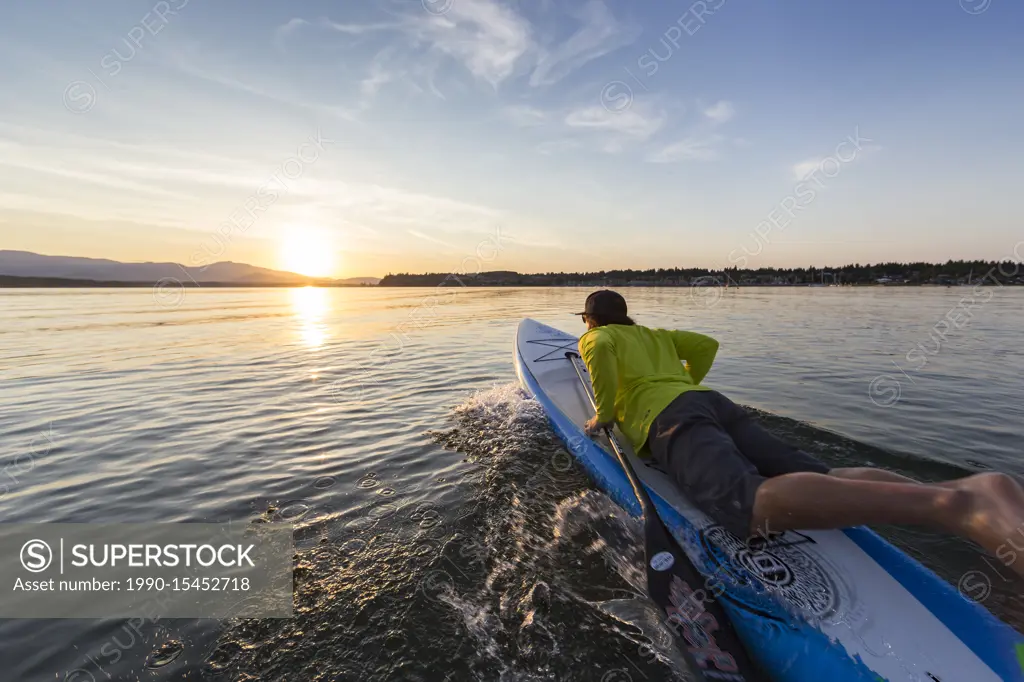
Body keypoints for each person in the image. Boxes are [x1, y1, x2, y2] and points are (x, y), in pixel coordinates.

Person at [576, 289, 1024, 579]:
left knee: (746, 503)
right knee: (823, 474)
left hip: (672, 418)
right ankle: (955, 492)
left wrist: (602, 417)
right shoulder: (654, 333)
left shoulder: (596, 339)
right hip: (715, 404)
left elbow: (603, 371)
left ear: (590, 320)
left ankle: (955, 505)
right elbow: (705, 346)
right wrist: (689, 384)